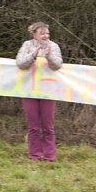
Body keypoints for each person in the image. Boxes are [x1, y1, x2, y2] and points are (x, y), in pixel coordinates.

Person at [15, 21, 63, 161]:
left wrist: (48, 56)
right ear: (34, 34)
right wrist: (33, 55)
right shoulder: (27, 45)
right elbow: (20, 64)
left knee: (48, 125)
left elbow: (58, 65)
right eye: (42, 33)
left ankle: (50, 155)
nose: (45, 36)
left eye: (47, 33)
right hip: (29, 89)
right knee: (33, 125)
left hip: (48, 90)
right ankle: (35, 155)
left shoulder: (53, 46)